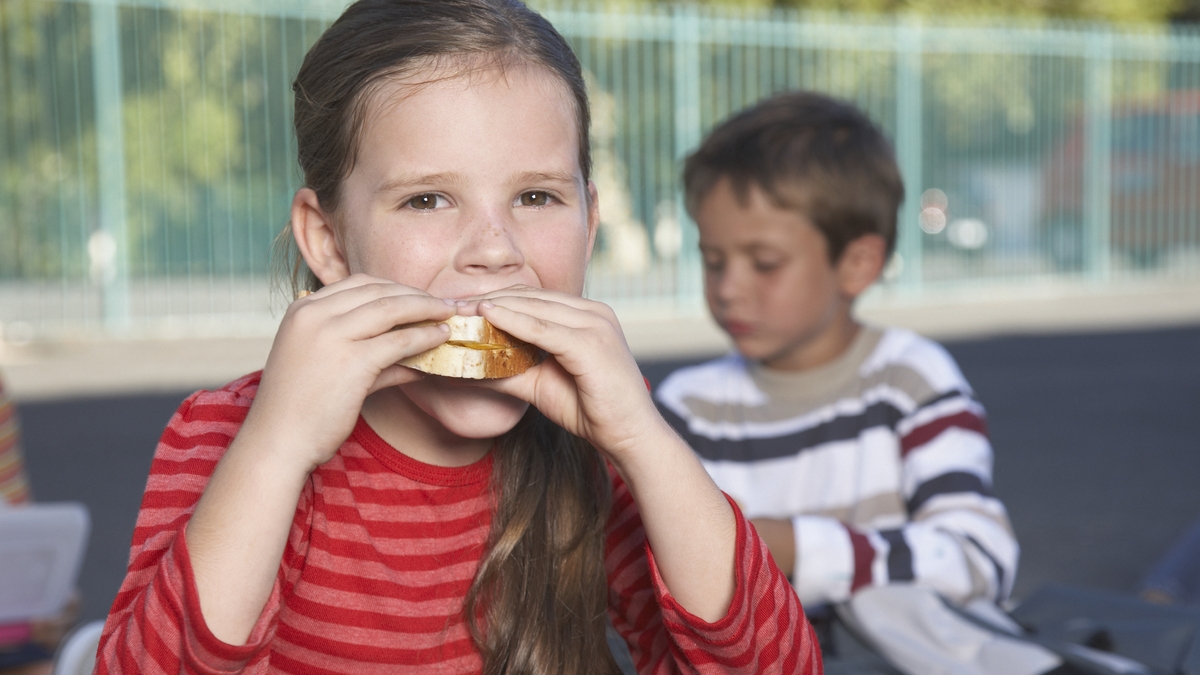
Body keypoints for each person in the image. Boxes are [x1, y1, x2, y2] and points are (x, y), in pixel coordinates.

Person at [94, 2, 818, 673]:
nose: (494, 250)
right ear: (330, 240)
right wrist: (277, 447)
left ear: (589, 225)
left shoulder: (603, 444)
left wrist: (645, 442)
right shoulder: (229, 433)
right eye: (428, 198)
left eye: (537, 196)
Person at [654, 92, 1054, 673]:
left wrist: (792, 547)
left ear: (858, 263)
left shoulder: (909, 379)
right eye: (713, 260)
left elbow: (980, 560)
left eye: (764, 262)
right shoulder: (687, 407)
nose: (729, 287)